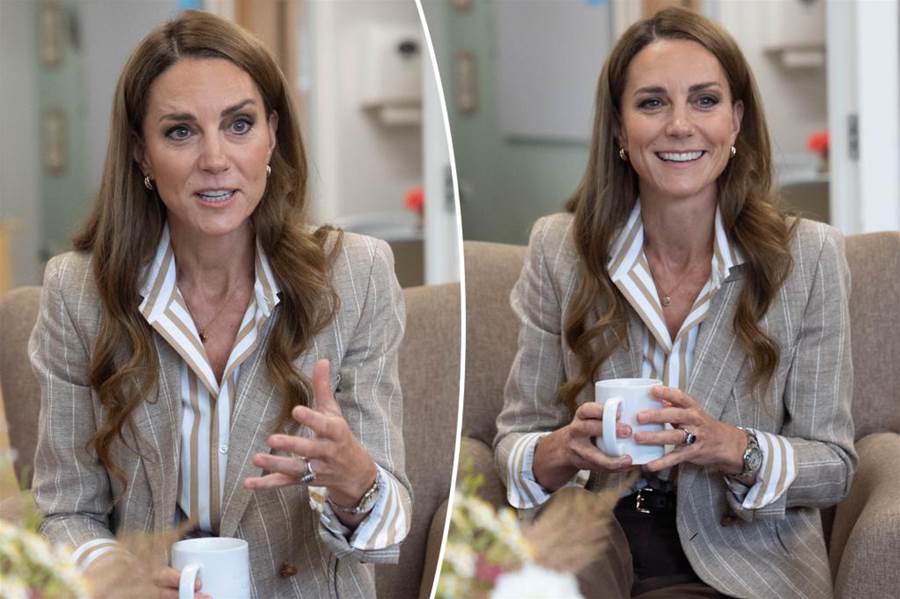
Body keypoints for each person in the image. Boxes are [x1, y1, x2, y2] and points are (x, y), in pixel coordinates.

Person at [29, 11, 410, 599]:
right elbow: (65, 509)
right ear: (141, 152)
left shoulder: (357, 274)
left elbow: (387, 523)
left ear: (272, 134)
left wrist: (355, 480)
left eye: (239, 124)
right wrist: (117, 577)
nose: (214, 158)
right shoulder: (78, 292)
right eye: (181, 131)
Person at [494, 7, 855, 599]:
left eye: (705, 101)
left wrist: (733, 447)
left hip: (741, 559)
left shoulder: (809, 257)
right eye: (652, 103)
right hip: (592, 545)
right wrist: (562, 449)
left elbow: (836, 465)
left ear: (737, 120)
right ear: (619, 128)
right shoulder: (559, 249)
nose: (680, 125)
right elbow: (515, 443)